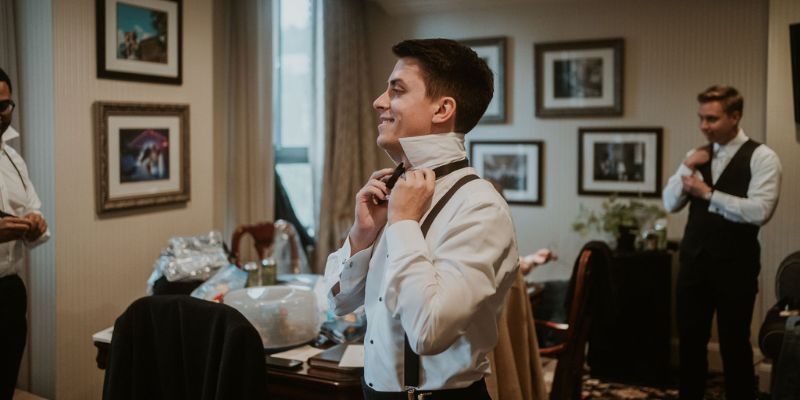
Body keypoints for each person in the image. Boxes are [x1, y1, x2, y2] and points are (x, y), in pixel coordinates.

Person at [323, 39, 518, 399]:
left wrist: (403, 226)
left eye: (396, 90)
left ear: (442, 109)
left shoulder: (480, 207)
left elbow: (429, 331)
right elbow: (337, 305)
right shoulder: (392, 193)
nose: (379, 102)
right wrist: (362, 235)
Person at [663, 85, 781, 400]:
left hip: (736, 267)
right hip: (694, 264)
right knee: (690, 343)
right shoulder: (698, 155)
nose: (704, 126)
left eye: (712, 119)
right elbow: (670, 202)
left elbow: (760, 211)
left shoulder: (762, 157)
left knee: (734, 345)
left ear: (735, 116)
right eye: (701, 118)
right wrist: (687, 164)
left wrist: (709, 194)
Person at [0, 68, 50, 400]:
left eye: (4, 105)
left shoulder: (13, 157)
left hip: (9, 290)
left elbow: (34, 209)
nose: (0, 113)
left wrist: (35, 224)